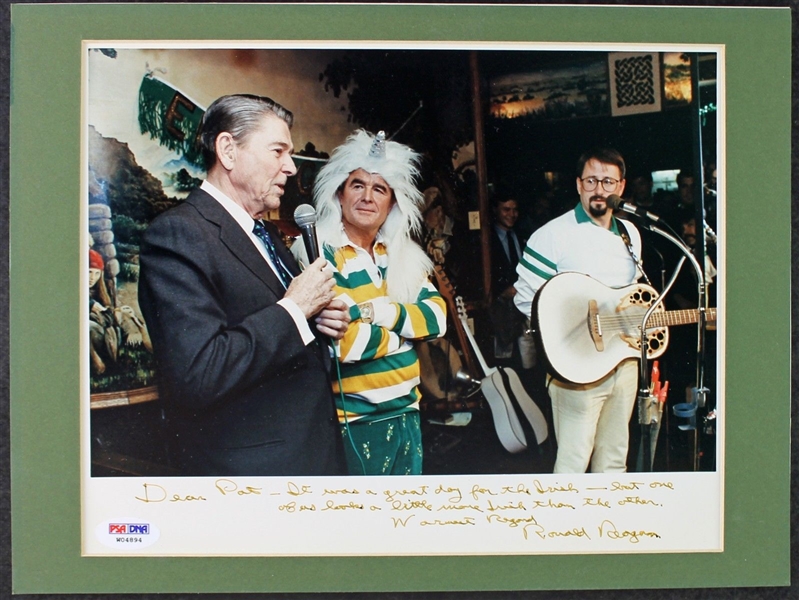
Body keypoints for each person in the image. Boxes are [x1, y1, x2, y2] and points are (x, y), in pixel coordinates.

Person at [138, 94, 349, 476]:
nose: (290, 167)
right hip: (251, 474)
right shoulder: (178, 235)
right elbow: (199, 373)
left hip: (311, 458)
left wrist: (317, 320)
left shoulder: (265, 233)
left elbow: (281, 328)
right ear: (228, 151)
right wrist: (295, 310)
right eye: (278, 151)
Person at [309, 129, 447, 475]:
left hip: (409, 414)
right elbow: (346, 345)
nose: (367, 197)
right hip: (356, 423)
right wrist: (406, 335)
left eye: (379, 188)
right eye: (358, 185)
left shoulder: (403, 256)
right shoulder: (321, 254)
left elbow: (436, 319)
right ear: (339, 194)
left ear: (392, 203)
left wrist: (380, 313)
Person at [514, 147, 642, 474]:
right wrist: (569, 347)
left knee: (614, 460)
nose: (600, 190)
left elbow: (632, 297)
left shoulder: (631, 235)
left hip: (623, 361)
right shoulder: (551, 235)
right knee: (573, 463)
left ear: (621, 187)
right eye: (592, 181)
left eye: (608, 182)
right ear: (578, 184)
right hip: (577, 369)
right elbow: (526, 298)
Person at [488, 191, 526, 360]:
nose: (512, 214)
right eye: (506, 209)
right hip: (499, 312)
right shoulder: (486, 239)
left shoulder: (520, 234)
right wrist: (500, 292)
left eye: (515, 209)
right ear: (495, 210)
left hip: (521, 310)